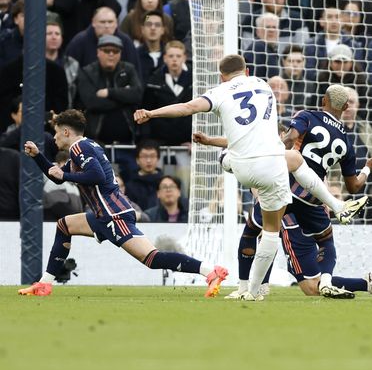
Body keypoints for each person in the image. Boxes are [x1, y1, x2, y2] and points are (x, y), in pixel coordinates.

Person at [133, 54, 369, 300]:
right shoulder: (263, 85)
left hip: (241, 165)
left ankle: (245, 287)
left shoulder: (219, 91)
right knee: (272, 227)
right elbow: (277, 135)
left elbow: (188, 108)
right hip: (271, 166)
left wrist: (151, 113)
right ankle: (255, 289)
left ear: (221, 76)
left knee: (258, 196)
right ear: (247, 71)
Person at [19, 109, 228, 297]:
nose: (53, 137)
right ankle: (45, 284)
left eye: (56, 132)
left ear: (66, 132)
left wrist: (66, 177)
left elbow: (96, 176)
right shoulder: (85, 147)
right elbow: (57, 176)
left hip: (113, 214)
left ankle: (211, 272)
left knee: (152, 259)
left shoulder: (79, 148)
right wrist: (38, 157)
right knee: (64, 225)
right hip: (103, 213)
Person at [212, 85, 372, 299]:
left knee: (256, 231)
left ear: (323, 100)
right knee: (323, 248)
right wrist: (368, 168)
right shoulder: (345, 140)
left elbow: (288, 140)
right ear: (345, 107)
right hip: (313, 197)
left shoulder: (306, 116)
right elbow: (353, 186)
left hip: (286, 186)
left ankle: (249, 288)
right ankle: (346, 281)